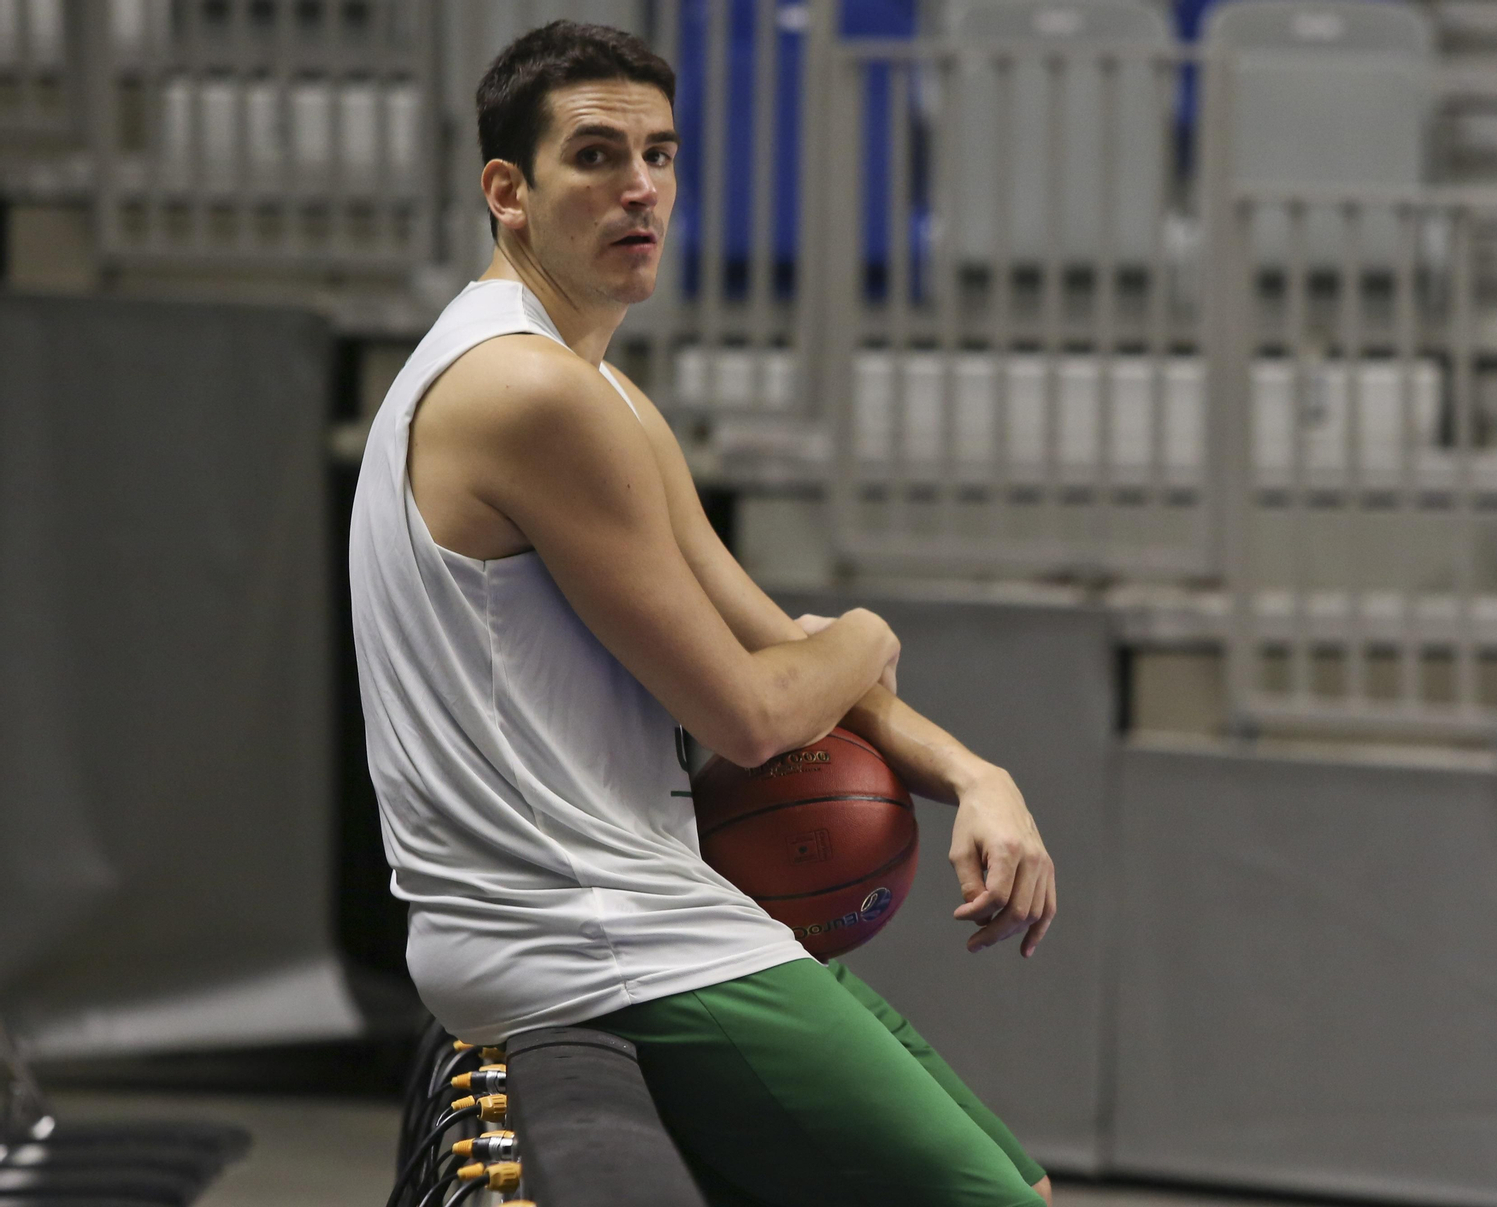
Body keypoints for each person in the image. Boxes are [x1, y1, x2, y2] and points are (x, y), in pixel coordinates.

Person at [349, 19, 1057, 1207]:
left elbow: (774, 646)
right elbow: (751, 714)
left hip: (623, 917)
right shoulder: (525, 390)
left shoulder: (601, 393)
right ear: (508, 192)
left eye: (661, 155)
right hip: (592, 936)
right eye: (595, 157)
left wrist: (977, 775)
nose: (640, 188)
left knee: (1022, 1185)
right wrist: (868, 631)